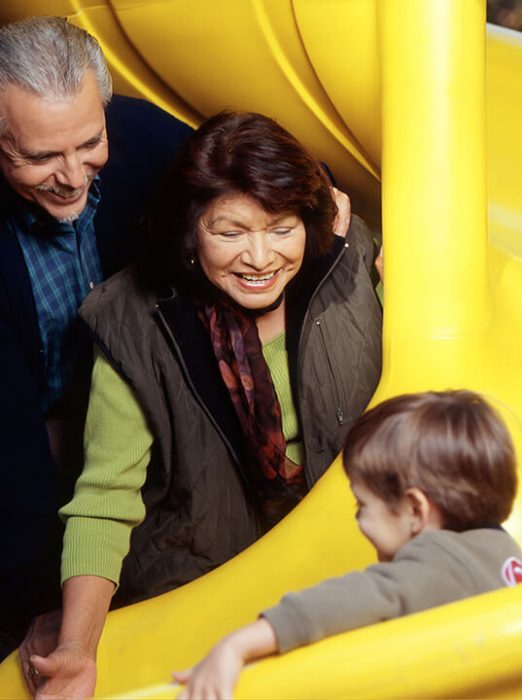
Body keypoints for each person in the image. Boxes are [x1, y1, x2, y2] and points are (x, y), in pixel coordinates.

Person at [26, 111, 382, 699]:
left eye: (281, 227)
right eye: (231, 231)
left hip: (342, 551)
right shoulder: (134, 322)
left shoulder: (350, 265)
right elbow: (104, 501)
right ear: (190, 232)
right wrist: (76, 647)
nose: (261, 258)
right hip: (199, 571)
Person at [0, 16, 193, 661]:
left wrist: (325, 197)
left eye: (88, 144)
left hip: (127, 412)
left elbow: (243, 168)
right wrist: (44, 605)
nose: (74, 176)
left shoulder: (137, 133)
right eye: (39, 156)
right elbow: (10, 452)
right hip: (32, 433)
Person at [173, 390, 522, 700]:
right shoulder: (513, 560)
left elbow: (350, 599)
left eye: (362, 505)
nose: (357, 520)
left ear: (415, 510)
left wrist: (236, 646)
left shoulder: (439, 562)